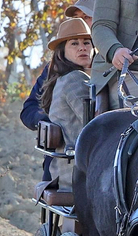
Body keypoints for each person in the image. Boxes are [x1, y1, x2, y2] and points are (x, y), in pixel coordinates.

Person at [39, 17, 96, 190]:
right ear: (62, 52)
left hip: (64, 171)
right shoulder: (75, 79)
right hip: (78, 175)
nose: (82, 47)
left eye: (87, 42)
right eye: (74, 43)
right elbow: (94, 123)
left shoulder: (62, 79)